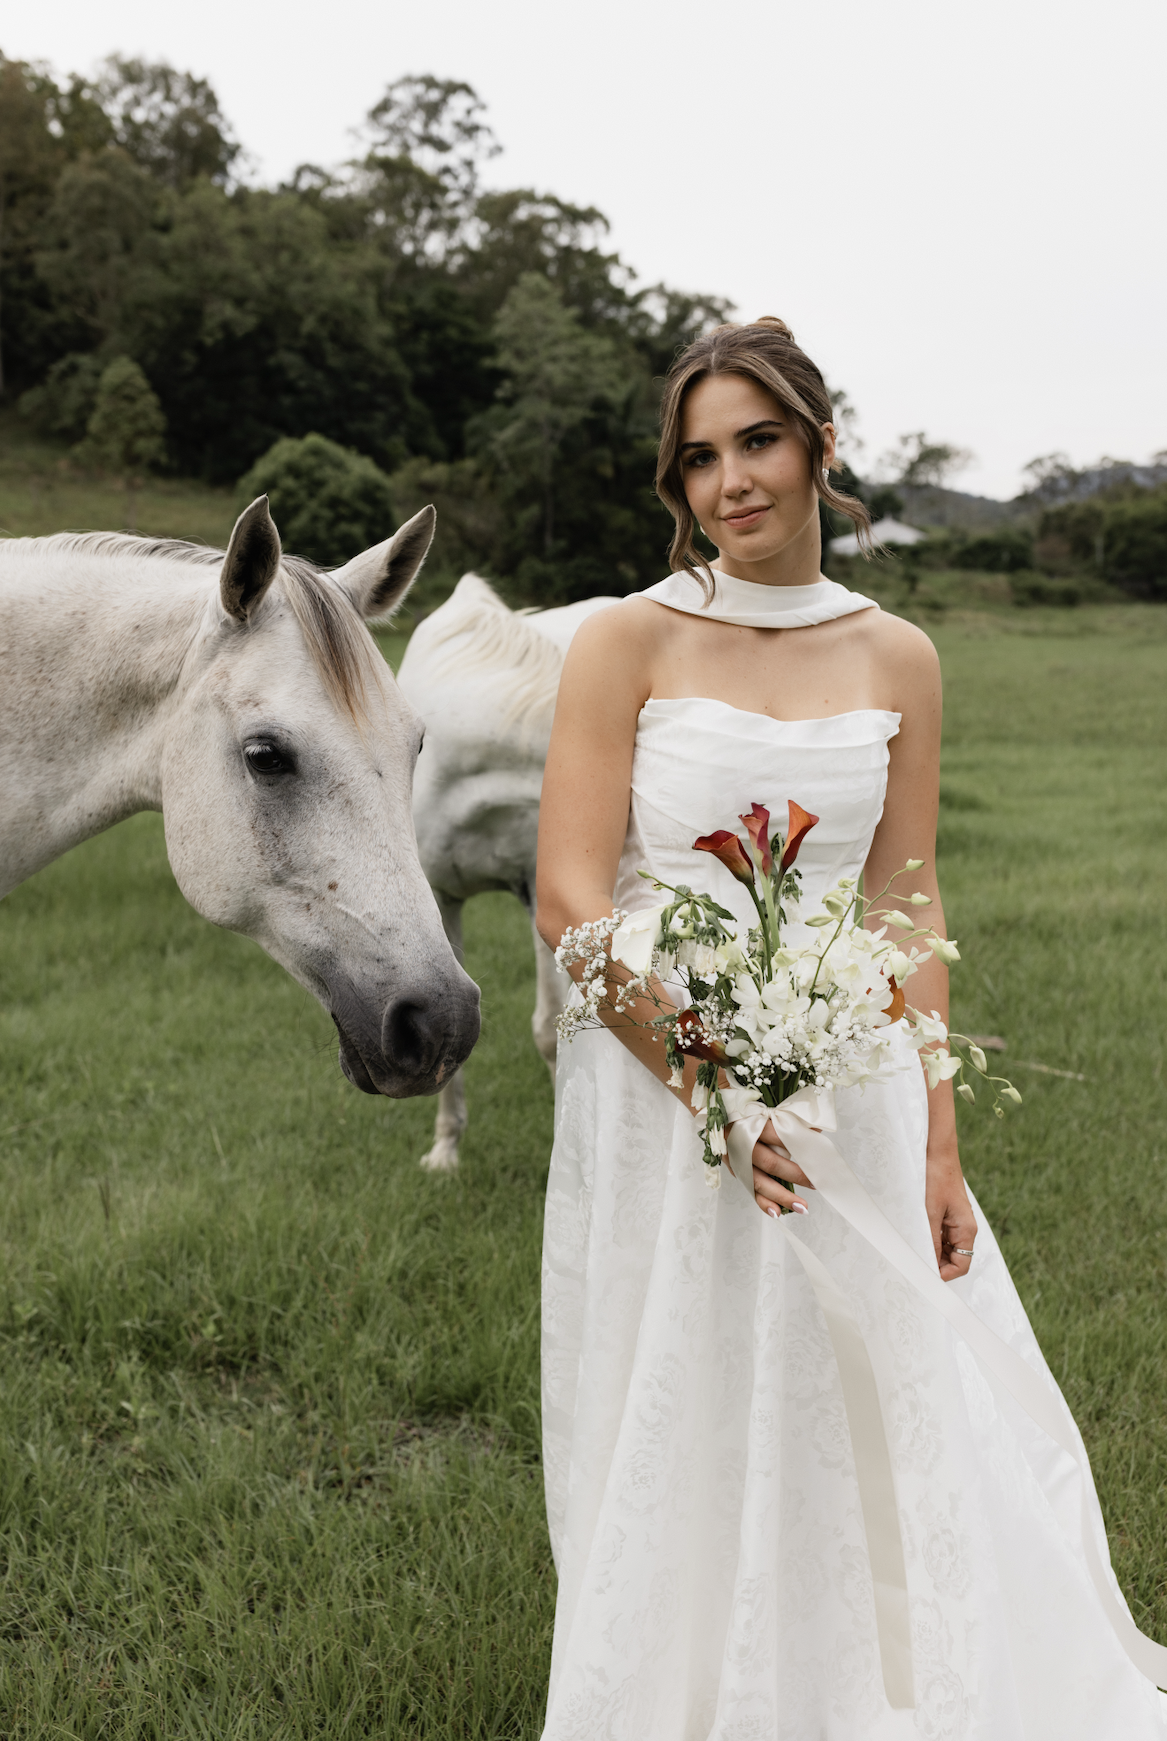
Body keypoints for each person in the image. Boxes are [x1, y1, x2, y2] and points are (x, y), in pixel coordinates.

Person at [533, 318, 1167, 1739]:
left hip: (857, 1078)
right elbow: (568, 892)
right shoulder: (624, 638)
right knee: (696, 1383)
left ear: (821, 444)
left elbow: (905, 898)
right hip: (670, 1077)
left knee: (874, 1381)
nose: (728, 483)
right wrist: (706, 1080)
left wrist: (941, 1140)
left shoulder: (901, 656)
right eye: (698, 458)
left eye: (756, 441)